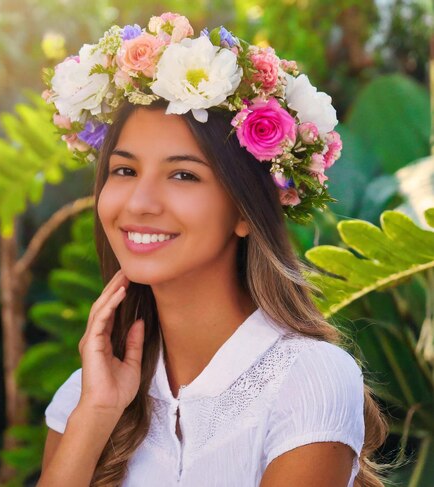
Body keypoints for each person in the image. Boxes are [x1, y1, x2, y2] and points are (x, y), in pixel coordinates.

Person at [37, 13, 389, 487]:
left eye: (183, 175)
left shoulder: (309, 380)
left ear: (244, 212)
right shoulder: (86, 394)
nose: (139, 203)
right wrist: (95, 415)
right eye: (124, 171)